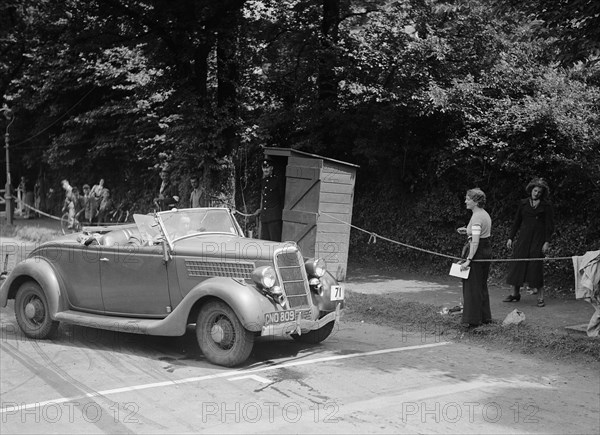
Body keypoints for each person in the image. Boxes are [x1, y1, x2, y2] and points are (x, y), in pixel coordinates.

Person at [504, 178, 555, 307]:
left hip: (538, 240)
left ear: (542, 193)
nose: (536, 193)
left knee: (535, 267)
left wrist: (547, 242)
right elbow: (517, 222)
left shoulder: (546, 206)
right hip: (523, 239)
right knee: (518, 264)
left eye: (539, 192)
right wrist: (511, 237)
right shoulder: (523, 203)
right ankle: (515, 294)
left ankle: (540, 297)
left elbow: (550, 225)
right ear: (531, 190)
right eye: (535, 190)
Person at [457, 188, 493, 327]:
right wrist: (467, 230)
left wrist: (468, 260)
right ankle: (484, 317)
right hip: (485, 250)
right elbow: (478, 233)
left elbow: (476, 241)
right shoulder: (483, 214)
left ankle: (472, 320)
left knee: (472, 286)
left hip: (478, 252)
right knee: (481, 285)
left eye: (468, 198)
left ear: (476, 201)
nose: (465, 201)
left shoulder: (477, 216)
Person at [255, 156, 285, 241]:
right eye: (263, 168)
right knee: (265, 242)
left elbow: (282, 198)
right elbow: (264, 199)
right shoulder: (263, 182)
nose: (265, 170)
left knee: (275, 242)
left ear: (271, 168)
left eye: (267, 167)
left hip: (274, 217)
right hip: (265, 217)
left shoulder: (277, 181)